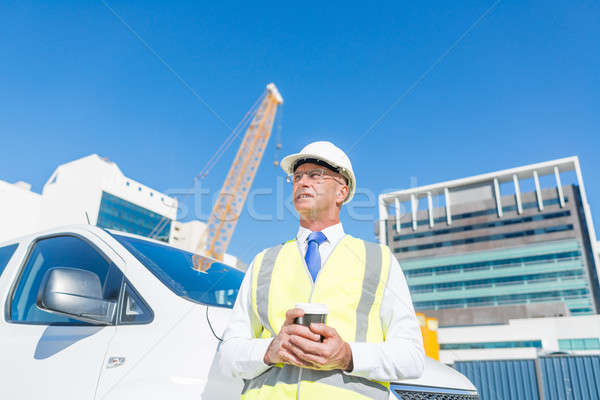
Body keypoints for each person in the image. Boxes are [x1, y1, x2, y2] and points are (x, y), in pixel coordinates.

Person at [219, 141, 425, 399]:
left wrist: (347, 356)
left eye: (315, 175)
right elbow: (227, 356)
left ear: (342, 192)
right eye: (297, 177)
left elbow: (412, 357)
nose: (302, 182)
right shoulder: (263, 262)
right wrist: (270, 350)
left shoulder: (379, 260)